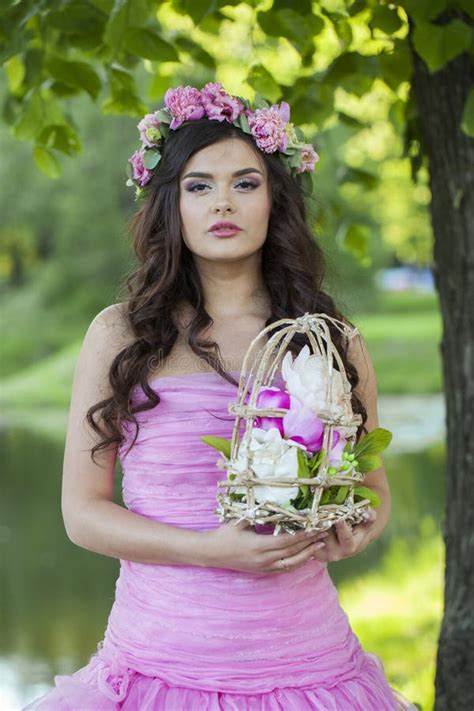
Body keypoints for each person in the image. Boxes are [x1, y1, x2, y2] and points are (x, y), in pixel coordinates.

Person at [25, 83, 416, 710]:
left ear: (274, 199)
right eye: (199, 186)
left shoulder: (329, 340)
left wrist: (354, 529)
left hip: (311, 669)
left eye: (246, 183)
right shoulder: (121, 335)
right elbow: (82, 514)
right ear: (171, 205)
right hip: (160, 669)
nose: (223, 203)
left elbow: (373, 494)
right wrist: (211, 550)